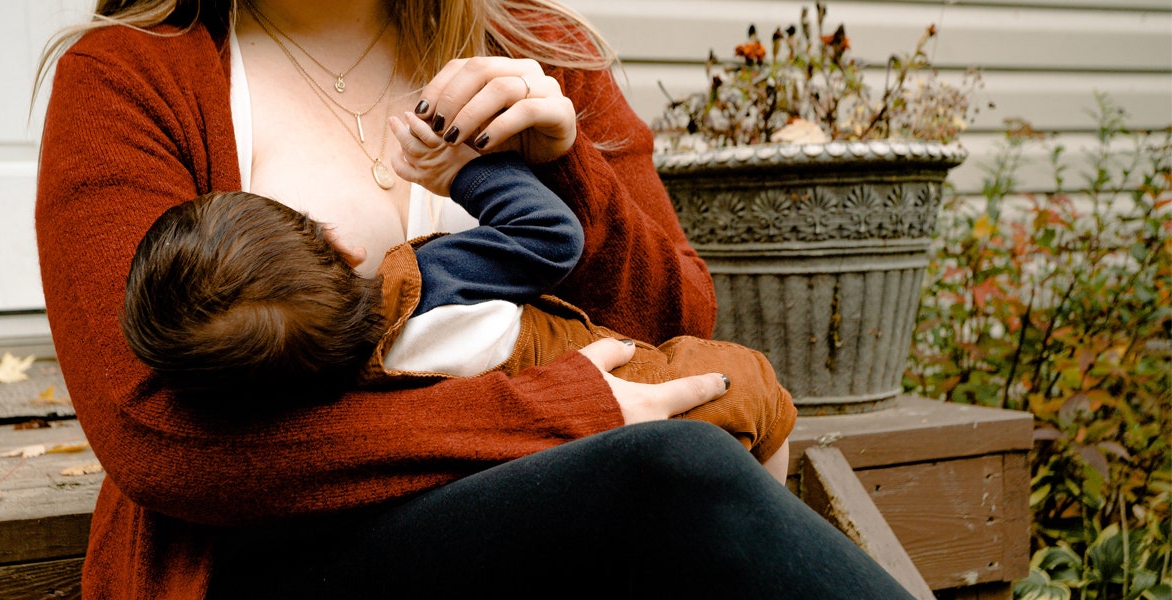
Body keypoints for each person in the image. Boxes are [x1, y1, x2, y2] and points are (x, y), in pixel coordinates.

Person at [34, 0, 915, 597]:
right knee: (672, 474)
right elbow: (158, 437)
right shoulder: (128, 76)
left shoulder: (537, 45)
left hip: (556, 519)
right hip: (288, 550)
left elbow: (674, 336)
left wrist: (565, 167)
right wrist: (557, 411)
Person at [120, 129, 795, 479]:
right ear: (340, 246)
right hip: (641, 386)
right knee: (761, 396)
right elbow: (549, 238)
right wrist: (465, 170)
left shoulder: (325, 396)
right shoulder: (427, 282)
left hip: (557, 465)